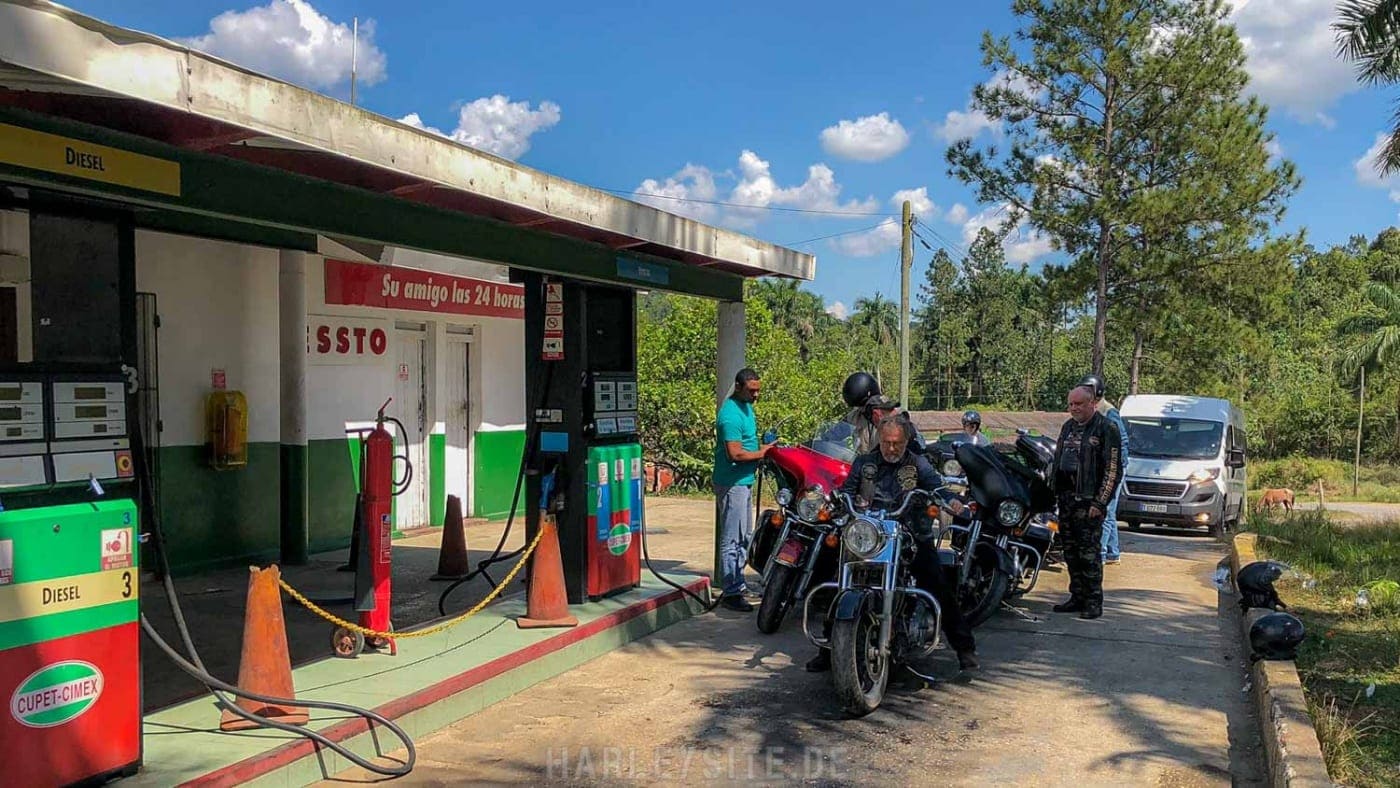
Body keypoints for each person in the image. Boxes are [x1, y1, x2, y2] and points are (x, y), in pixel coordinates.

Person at [805, 415, 979, 673]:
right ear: (880, 440)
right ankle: (831, 649)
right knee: (837, 578)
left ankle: (964, 648)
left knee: (936, 582)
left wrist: (950, 500)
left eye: (897, 443)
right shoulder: (865, 463)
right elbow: (848, 490)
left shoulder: (918, 464)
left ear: (906, 441)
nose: (891, 448)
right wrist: (838, 502)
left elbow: (937, 487)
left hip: (910, 534)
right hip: (871, 535)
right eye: (887, 442)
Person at [1050, 380, 1125, 620]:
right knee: (1070, 552)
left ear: (1092, 403)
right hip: (1066, 499)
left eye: (1079, 404)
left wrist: (1100, 502)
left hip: (1089, 501)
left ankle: (1093, 601)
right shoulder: (1067, 427)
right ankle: (1077, 596)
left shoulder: (1106, 428)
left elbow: (1112, 470)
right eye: (1071, 404)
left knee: (1089, 555)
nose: (1074, 408)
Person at [713, 367, 776, 612]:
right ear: (738, 387)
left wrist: (764, 448)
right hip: (732, 483)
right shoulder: (730, 415)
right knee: (732, 539)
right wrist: (763, 453)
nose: (755, 395)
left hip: (744, 480)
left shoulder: (746, 407)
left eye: (758, 391)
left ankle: (738, 584)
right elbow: (735, 453)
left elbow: (748, 442)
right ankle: (731, 592)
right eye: (751, 391)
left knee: (744, 536)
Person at [1079, 374, 1129, 565]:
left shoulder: (1108, 412)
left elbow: (1122, 441)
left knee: (1104, 509)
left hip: (1112, 469)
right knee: (1109, 510)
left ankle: (1098, 554)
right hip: (1098, 468)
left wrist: (1114, 469)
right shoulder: (1089, 410)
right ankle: (1113, 553)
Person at [841, 371, 925, 455]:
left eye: (870, 407)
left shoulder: (894, 413)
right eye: (863, 407)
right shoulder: (855, 416)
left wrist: (888, 423)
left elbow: (917, 443)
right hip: (867, 461)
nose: (866, 412)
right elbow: (837, 433)